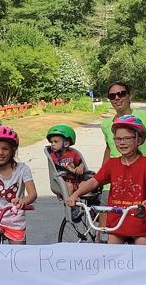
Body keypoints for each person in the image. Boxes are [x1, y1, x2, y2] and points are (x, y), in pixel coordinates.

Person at [66, 115, 146, 244]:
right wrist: (75, 195)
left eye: (127, 138)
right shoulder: (112, 164)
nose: (122, 142)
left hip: (140, 222)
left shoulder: (144, 164)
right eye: (118, 139)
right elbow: (94, 181)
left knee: (141, 255)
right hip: (116, 222)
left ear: (138, 140)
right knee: (111, 255)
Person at [99, 81, 146, 240]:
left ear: (129, 95)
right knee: (106, 228)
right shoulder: (106, 124)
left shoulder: (143, 116)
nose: (117, 98)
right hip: (114, 178)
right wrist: (101, 177)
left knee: (139, 226)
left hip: (140, 176)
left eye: (121, 94)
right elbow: (108, 148)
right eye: (112, 96)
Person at [46, 124, 84, 221]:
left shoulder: (73, 154)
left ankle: (92, 208)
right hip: (63, 182)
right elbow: (54, 170)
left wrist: (80, 168)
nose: (52, 144)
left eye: (56, 141)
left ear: (66, 144)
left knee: (90, 183)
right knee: (69, 186)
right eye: (51, 142)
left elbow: (81, 163)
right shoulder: (53, 157)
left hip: (76, 180)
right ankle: (72, 208)